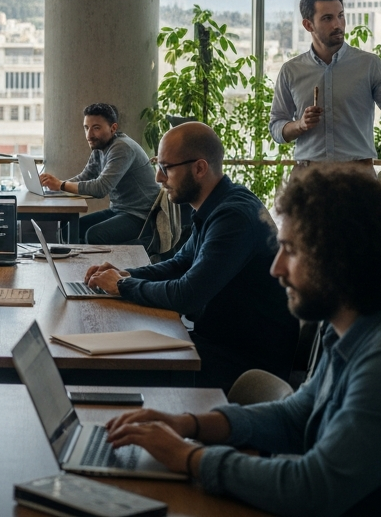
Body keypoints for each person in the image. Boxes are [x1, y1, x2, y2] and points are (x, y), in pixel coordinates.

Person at [103, 167, 381, 517]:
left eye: (291, 251)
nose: (276, 268)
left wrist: (189, 457)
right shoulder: (346, 326)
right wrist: (190, 424)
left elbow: (313, 489)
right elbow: (296, 417)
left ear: (340, 258)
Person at [84, 122, 297, 389]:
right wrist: (125, 274)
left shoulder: (233, 216)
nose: (158, 178)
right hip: (217, 344)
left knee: (95, 370)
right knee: (105, 354)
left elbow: (187, 295)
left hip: (241, 364)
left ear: (199, 168)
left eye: (165, 168)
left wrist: (122, 285)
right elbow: (180, 264)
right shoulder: (217, 205)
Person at [271, 0, 381, 176]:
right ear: (308, 25)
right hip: (309, 177)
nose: (338, 24)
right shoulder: (291, 70)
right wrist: (299, 125)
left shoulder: (369, 65)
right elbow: (276, 127)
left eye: (341, 16)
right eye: (327, 18)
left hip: (359, 178)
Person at [39, 103, 158, 245]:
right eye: (86, 128)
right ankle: (79, 266)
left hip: (142, 215)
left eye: (96, 128)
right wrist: (55, 187)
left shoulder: (122, 148)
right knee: (69, 230)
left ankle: (97, 267)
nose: (89, 135)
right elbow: (85, 176)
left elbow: (101, 188)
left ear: (113, 128)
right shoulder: (100, 148)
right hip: (119, 210)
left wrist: (61, 185)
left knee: (95, 235)